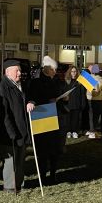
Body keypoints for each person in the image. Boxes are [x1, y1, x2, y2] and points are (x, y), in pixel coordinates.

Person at [27, 56, 65, 185]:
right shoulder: (36, 82)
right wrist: (48, 101)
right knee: (43, 150)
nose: (55, 72)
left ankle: (53, 174)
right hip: (42, 117)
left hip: (55, 116)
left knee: (55, 149)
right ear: (47, 68)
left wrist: (62, 99)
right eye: (53, 69)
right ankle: (42, 175)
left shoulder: (55, 81)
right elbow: (33, 98)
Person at [0, 59, 32, 193]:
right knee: (10, 161)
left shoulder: (19, 84)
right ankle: (10, 186)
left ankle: (19, 184)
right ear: (7, 72)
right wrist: (10, 132)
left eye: (20, 70)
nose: (19, 73)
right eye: (16, 71)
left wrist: (30, 101)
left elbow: (28, 97)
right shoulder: (3, 87)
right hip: (11, 131)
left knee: (20, 159)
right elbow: (3, 112)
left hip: (22, 129)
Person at [63, 65, 86, 139]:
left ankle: (75, 131)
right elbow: (63, 92)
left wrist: (83, 103)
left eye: (75, 71)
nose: (74, 73)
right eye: (72, 71)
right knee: (68, 119)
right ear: (70, 72)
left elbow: (82, 93)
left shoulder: (80, 81)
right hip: (68, 103)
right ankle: (68, 131)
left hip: (77, 103)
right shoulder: (66, 81)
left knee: (75, 119)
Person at [85, 64, 102, 139]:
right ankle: (93, 130)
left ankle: (91, 131)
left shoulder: (88, 78)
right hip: (99, 100)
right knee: (96, 117)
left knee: (90, 116)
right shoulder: (101, 80)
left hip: (90, 100)